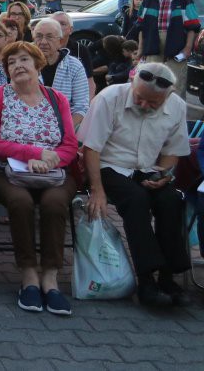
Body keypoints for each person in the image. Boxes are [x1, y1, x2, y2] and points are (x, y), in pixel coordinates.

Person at [0, 42, 79, 315]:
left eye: (24, 60)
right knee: (20, 202)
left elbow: (70, 145)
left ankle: (50, 276)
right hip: (6, 173)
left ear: (38, 64)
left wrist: (48, 161)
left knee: (55, 203)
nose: (18, 66)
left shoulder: (57, 99)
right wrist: (33, 153)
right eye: (11, 62)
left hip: (55, 173)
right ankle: (28, 275)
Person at [79, 63, 191, 307]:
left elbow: (174, 152)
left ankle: (169, 276)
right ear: (133, 84)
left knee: (170, 200)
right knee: (136, 200)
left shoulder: (177, 106)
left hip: (149, 167)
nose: (143, 105)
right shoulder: (110, 97)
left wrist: (165, 174)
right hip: (108, 165)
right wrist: (97, 190)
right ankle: (146, 280)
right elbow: (91, 148)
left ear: (167, 96)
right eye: (140, 98)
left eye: (153, 103)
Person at [134, 0, 199, 100]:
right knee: (150, 84)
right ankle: (152, 113)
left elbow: (192, 27)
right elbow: (141, 27)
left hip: (176, 47)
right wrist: (140, 48)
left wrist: (187, 49)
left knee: (175, 85)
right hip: (152, 45)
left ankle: (175, 117)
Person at [32, 19, 90, 128]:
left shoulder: (74, 66)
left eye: (49, 37)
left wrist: (63, 131)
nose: (43, 42)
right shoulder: (24, 64)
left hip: (65, 126)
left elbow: (81, 107)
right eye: (39, 36)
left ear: (60, 41)